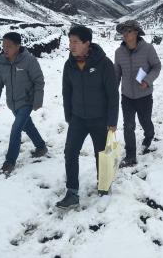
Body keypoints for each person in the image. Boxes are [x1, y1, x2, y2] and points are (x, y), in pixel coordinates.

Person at [56, 25, 119, 209]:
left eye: (75, 42)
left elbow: (112, 94)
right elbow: (66, 92)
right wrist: (69, 116)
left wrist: (112, 121)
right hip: (78, 119)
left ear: (87, 43)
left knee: (101, 153)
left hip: (100, 119)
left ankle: (104, 185)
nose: (71, 45)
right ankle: (72, 192)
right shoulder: (69, 65)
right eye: (70, 41)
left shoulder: (104, 64)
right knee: (70, 152)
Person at [0, 32, 47, 175]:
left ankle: (10, 162)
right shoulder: (2, 61)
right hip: (12, 103)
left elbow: (39, 81)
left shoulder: (29, 60)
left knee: (16, 129)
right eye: (3, 46)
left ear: (18, 46)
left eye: (9, 46)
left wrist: (38, 101)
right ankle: (41, 147)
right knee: (28, 126)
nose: (5, 49)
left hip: (27, 101)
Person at [114, 20, 161, 168]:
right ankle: (131, 156)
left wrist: (147, 80)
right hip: (127, 96)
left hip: (144, 95)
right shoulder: (119, 52)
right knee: (128, 126)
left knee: (145, 121)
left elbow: (157, 66)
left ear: (136, 33)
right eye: (123, 31)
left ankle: (149, 135)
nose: (125, 34)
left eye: (128, 31)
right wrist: (112, 91)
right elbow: (117, 74)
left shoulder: (148, 49)